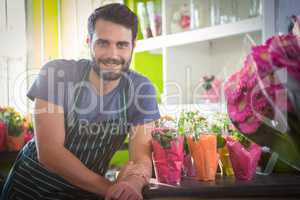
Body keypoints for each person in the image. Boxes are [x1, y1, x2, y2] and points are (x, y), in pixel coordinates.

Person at [1, 3, 160, 200]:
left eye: (122, 45)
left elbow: (141, 158)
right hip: (30, 191)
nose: (112, 54)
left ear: (133, 45)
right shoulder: (56, 73)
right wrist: (110, 189)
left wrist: (132, 185)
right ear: (89, 42)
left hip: (85, 193)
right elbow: (50, 153)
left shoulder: (141, 90)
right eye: (103, 43)